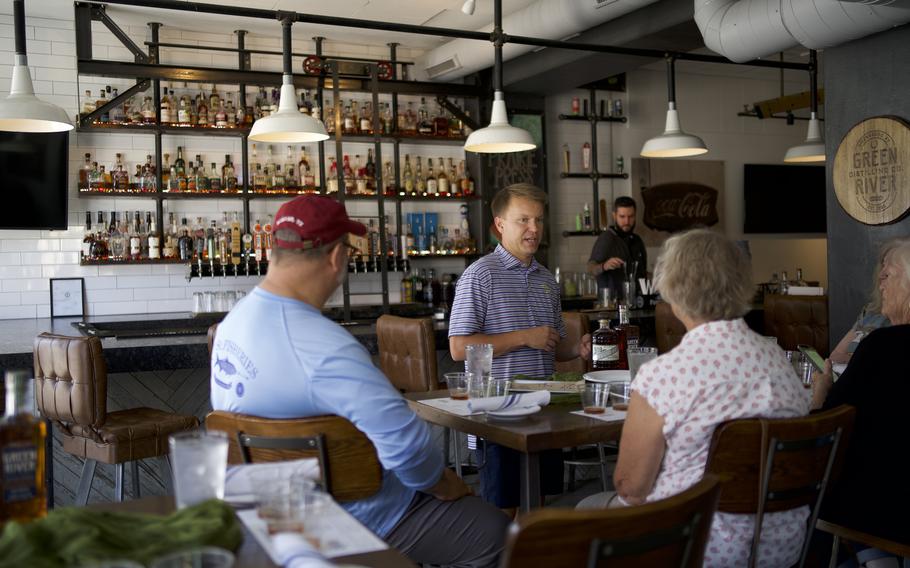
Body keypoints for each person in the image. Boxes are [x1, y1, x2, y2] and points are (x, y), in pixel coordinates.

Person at [211, 195, 509, 567]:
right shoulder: (324, 345)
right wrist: (445, 483)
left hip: (270, 513)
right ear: (337, 258)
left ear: (274, 248)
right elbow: (407, 449)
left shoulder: (229, 327)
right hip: (357, 517)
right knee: (501, 534)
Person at [579, 229, 810, 567]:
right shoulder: (781, 365)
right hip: (781, 547)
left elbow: (631, 488)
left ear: (671, 291)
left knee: (587, 507)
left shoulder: (663, 375)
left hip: (691, 544)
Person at [449, 183, 592, 513]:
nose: (534, 229)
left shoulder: (545, 279)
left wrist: (578, 348)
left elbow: (552, 345)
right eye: (523, 220)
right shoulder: (479, 275)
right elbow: (459, 348)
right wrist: (524, 336)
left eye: (539, 220)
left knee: (538, 508)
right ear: (500, 224)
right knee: (504, 511)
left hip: (543, 410)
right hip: (497, 415)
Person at [810, 239, 910, 546]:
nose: (880, 284)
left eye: (887, 276)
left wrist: (819, 394)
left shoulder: (881, 347)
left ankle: (872, 555)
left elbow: (826, 432)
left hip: (882, 509)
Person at [828, 238, 910, 364]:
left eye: (887, 275)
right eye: (882, 267)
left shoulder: (877, 340)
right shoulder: (870, 314)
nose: (880, 282)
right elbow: (834, 357)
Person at [586, 196, 647, 299]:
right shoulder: (607, 238)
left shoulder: (637, 240)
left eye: (631, 216)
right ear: (614, 216)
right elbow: (590, 268)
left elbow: (642, 273)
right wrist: (604, 266)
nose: (627, 221)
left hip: (637, 302)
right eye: (622, 217)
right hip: (611, 304)